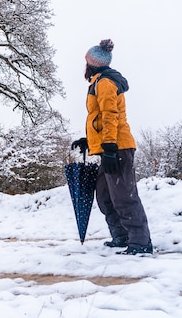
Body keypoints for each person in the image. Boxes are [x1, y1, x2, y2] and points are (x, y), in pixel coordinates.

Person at [71, 39, 153, 255]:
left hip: (118, 147)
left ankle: (140, 242)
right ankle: (122, 236)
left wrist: (108, 147)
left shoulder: (106, 83)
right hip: (109, 147)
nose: (84, 66)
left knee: (124, 196)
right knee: (106, 198)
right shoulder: (98, 82)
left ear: (92, 64)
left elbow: (110, 116)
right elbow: (98, 118)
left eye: (86, 62)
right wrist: (89, 141)